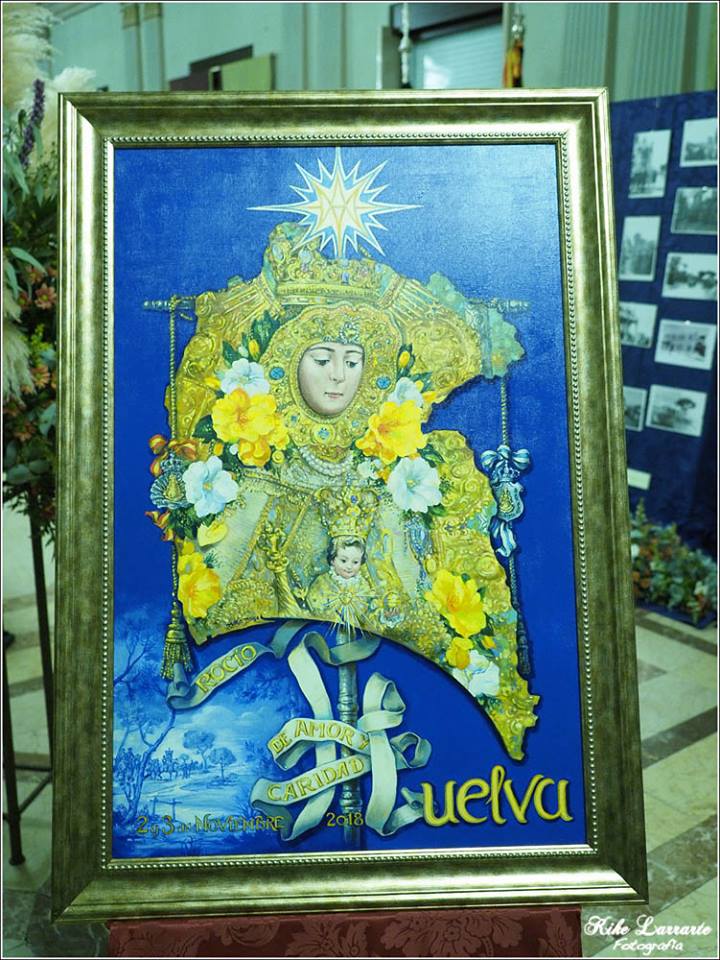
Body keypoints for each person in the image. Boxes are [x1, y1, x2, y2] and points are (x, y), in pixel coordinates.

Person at [159, 220, 538, 760]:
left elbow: (416, 595)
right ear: (289, 364)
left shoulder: (399, 475)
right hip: (280, 692)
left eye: (352, 361)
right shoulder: (253, 477)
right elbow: (221, 597)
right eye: (322, 359)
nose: (338, 376)